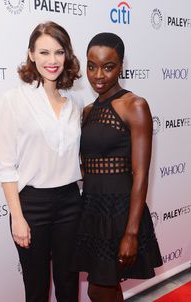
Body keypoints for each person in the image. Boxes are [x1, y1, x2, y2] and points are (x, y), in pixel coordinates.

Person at [71, 32, 163, 302]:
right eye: (91, 65)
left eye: (108, 66)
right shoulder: (87, 111)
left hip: (120, 213)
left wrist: (131, 233)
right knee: (99, 288)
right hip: (92, 209)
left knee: (101, 289)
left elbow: (141, 174)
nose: (98, 74)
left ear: (121, 66)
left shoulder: (134, 106)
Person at [0, 21, 83, 302]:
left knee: (69, 283)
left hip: (71, 201)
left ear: (66, 56)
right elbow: (7, 167)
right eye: (44, 52)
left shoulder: (76, 102)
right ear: (31, 55)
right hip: (31, 205)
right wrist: (18, 217)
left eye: (59, 52)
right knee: (36, 288)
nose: (52, 60)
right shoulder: (14, 100)